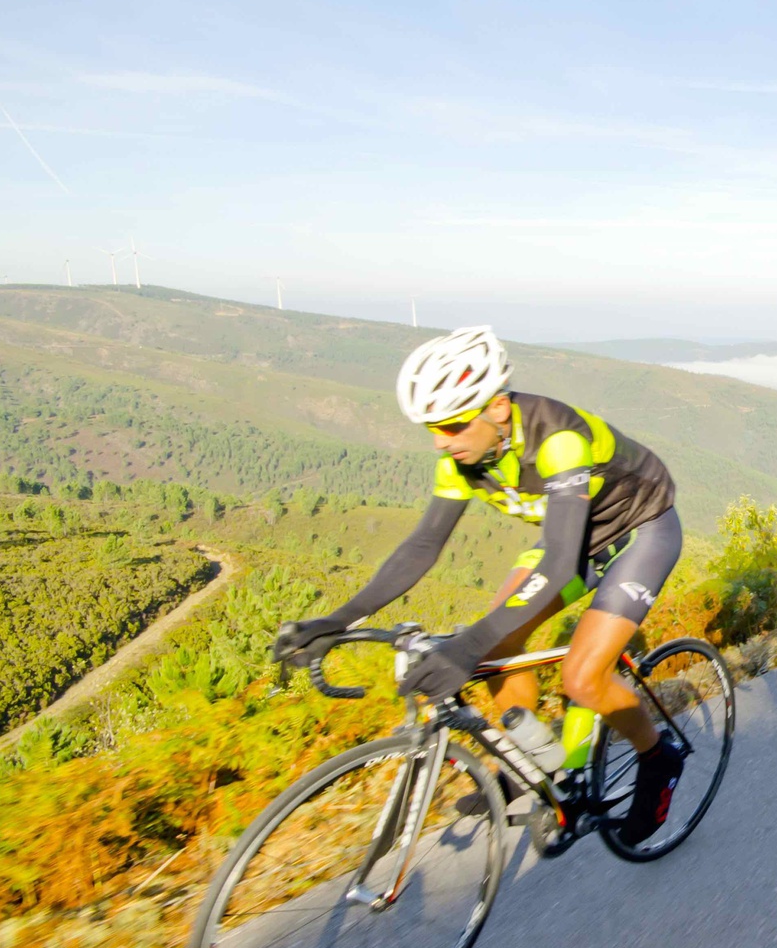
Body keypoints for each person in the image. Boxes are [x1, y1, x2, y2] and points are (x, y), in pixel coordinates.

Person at [272, 326, 685, 846]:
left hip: (640, 531)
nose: (441, 441)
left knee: (581, 678)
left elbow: (559, 565)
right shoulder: (460, 460)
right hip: (573, 536)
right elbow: (423, 546)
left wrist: (465, 648)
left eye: (452, 424)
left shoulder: (558, 441)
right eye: (432, 428)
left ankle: (658, 757)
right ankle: (534, 770)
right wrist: (337, 620)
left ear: (497, 408)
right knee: (497, 643)